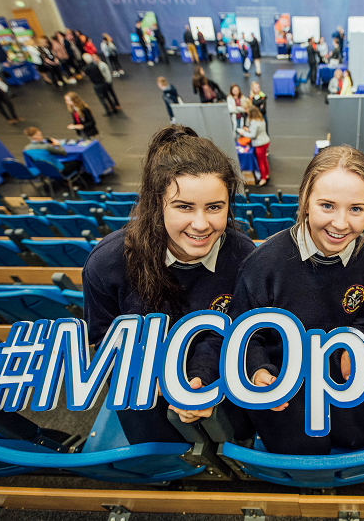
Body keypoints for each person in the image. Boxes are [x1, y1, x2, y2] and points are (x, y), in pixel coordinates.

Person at [196, 145, 364, 455]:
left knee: (358, 437)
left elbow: (363, 319)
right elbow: (244, 336)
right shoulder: (263, 264)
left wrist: (355, 343)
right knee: (303, 448)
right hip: (279, 372)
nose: (340, 223)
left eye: (356, 209)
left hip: (333, 367)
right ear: (306, 201)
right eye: (327, 206)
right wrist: (258, 371)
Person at [83, 125, 256, 444]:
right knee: (161, 451)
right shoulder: (107, 263)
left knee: (233, 441)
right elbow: (104, 339)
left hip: (220, 380)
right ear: (155, 204)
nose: (202, 224)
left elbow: (237, 330)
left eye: (215, 207)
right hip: (145, 392)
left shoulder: (245, 257)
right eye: (184, 207)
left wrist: (199, 378)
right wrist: (150, 375)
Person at [237, 106, 270, 186]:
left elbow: (253, 135)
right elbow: (256, 130)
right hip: (266, 141)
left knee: (260, 162)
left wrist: (243, 133)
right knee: (264, 159)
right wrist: (248, 129)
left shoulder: (254, 122)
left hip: (259, 144)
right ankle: (267, 173)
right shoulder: (261, 119)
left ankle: (263, 179)